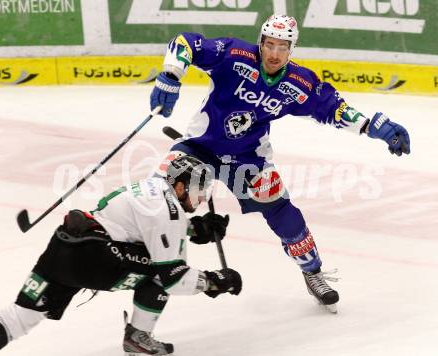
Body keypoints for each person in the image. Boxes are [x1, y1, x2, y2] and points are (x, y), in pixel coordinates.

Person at [149, 14, 411, 313]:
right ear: (260, 42)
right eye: (269, 45)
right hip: (200, 147)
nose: (274, 53)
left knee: (280, 210)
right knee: (161, 196)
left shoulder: (298, 83)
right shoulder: (234, 54)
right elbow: (186, 42)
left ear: (292, 49)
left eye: (282, 47)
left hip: (247, 158)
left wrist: (373, 127)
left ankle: (312, 272)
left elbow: (334, 109)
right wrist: (170, 75)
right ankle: (150, 251)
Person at [0, 155, 242, 355]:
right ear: (180, 187)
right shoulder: (169, 210)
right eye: (199, 190)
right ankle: (138, 337)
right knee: (163, 270)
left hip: (64, 247)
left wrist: (194, 228)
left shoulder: (152, 188)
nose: (202, 198)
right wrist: (215, 280)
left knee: (20, 316)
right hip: (94, 257)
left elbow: (142, 225)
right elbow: (174, 279)